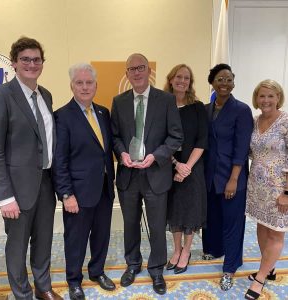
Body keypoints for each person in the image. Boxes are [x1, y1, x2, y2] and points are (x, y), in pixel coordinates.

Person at [0, 37, 62, 300]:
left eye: (36, 59)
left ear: (42, 63)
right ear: (15, 63)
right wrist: (4, 195)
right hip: (17, 189)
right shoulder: (0, 96)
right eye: (25, 60)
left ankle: (43, 287)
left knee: (43, 240)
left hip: (46, 182)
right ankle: (22, 294)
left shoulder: (47, 96)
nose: (32, 64)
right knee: (17, 246)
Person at [111, 53, 183, 295]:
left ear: (149, 70)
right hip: (128, 176)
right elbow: (115, 137)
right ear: (127, 73)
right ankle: (133, 264)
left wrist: (156, 156)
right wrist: (122, 154)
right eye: (132, 69)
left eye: (141, 67)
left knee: (156, 226)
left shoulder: (166, 100)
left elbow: (176, 136)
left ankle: (156, 269)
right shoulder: (118, 101)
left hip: (156, 174)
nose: (137, 72)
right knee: (130, 224)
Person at [52, 63, 116, 299]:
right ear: (72, 86)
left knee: (101, 235)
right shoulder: (62, 116)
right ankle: (74, 280)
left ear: (96, 85)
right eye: (79, 82)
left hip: (104, 189)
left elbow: (106, 151)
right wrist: (67, 194)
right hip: (77, 193)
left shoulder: (103, 112)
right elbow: (60, 160)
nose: (85, 87)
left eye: (89, 82)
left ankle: (96, 271)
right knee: (75, 239)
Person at [201, 63, 253, 291]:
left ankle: (230, 267)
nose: (225, 83)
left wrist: (233, 179)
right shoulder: (205, 109)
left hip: (233, 177)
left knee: (233, 224)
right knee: (212, 218)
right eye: (220, 79)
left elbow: (241, 148)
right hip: (209, 176)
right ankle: (214, 249)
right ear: (211, 82)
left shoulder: (241, 110)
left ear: (234, 82)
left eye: (229, 79)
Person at [244, 80, 288, 299]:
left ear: (278, 97)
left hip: (280, 189)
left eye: (271, 96)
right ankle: (268, 269)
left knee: (276, 233)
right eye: (262, 96)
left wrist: (287, 193)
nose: (266, 100)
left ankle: (260, 279)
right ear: (256, 98)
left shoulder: (286, 121)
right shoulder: (254, 121)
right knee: (262, 228)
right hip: (256, 187)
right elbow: (251, 153)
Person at [163, 64, 207, 274]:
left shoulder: (198, 107)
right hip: (169, 165)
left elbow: (202, 139)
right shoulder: (163, 105)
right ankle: (176, 249)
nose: (182, 81)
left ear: (190, 83)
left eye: (187, 78)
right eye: (178, 77)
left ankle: (187, 251)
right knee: (174, 210)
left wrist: (187, 167)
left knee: (190, 210)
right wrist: (175, 164)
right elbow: (157, 139)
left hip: (193, 167)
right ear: (171, 80)